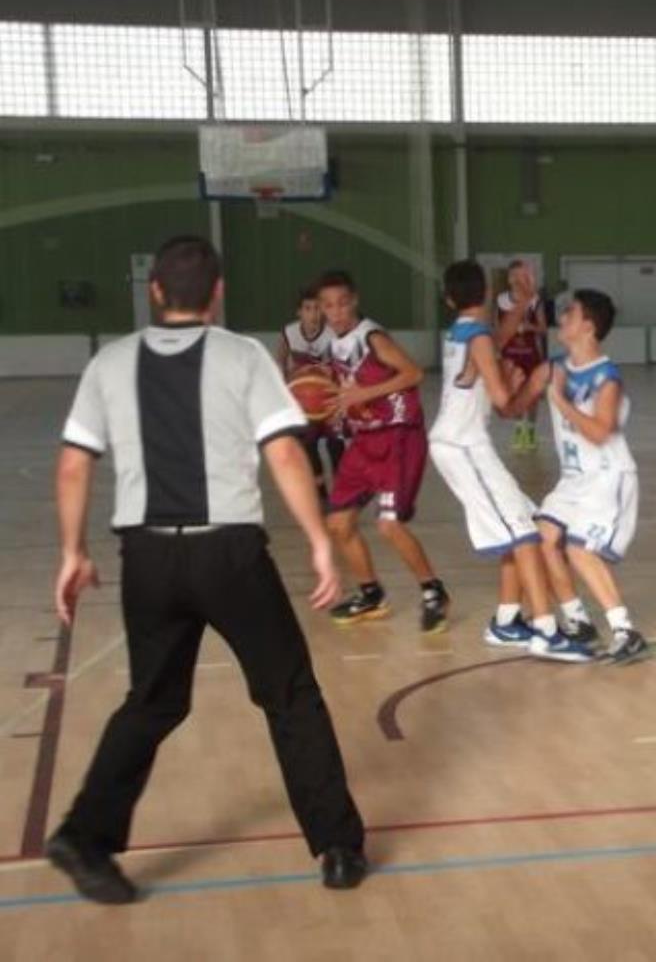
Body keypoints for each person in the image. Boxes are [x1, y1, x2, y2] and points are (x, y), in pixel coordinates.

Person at [47, 235, 366, 905]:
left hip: (148, 558)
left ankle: (84, 836)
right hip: (231, 556)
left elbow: (76, 463)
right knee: (289, 695)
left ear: (155, 291)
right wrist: (317, 539)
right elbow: (284, 454)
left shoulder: (110, 361)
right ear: (216, 294)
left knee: (153, 700)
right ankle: (337, 846)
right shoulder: (244, 354)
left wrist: (73, 551)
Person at [429, 259, 595, 662]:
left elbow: (495, 341)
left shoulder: (463, 331)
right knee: (524, 534)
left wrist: (521, 304)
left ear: (450, 299)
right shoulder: (479, 338)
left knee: (520, 523)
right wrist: (524, 387)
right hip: (463, 446)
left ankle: (506, 621)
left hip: (463, 444)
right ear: (487, 293)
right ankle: (545, 629)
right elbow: (505, 405)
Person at [507, 289, 648, 664]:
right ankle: (578, 621)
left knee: (577, 549)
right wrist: (510, 382)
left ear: (588, 326)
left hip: (607, 475)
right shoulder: (550, 369)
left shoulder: (607, 378)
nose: (562, 317)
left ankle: (625, 631)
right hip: (573, 478)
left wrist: (561, 402)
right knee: (541, 539)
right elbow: (511, 407)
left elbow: (600, 432)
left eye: (570, 313)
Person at [316, 270, 449, 634]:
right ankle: (371, 594)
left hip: (399, 437)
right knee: (339, 523)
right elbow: (348, 392)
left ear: (354, 300)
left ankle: (433, 591)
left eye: (342, 303)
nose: (337, 311)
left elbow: (413, 373)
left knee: (388, 525)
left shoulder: (372, 337)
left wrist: (363, 395)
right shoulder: (333, 345)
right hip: (364, 441)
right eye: (329, 306)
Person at [275, 286, 343, 503]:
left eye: (317, 308)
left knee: (336, 447)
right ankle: (322, 495)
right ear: (299, 312)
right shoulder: (290, 332)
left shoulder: (333, 332)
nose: (313, 313)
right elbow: (280, 359)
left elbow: (345, 364)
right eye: (307, 308)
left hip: (331, 400)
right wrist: (284, 387)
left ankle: (341, 495)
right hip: (304, 401)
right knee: (308, 447)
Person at [495, 260, 548, 454]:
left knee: (532, 394)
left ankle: (531, 430)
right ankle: (519, 430)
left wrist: (528, 327)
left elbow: (543, 328)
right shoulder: (501, 300)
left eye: (522, 275)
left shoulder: (535, 300)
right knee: (514, 391)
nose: (518, 279)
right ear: (509, 278)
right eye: (515, 275)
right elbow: (497, 328)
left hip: (530, 353)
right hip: (510, 354)